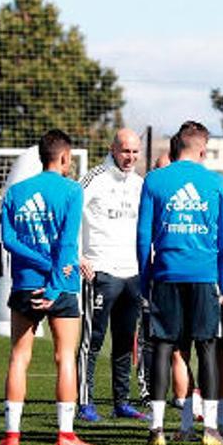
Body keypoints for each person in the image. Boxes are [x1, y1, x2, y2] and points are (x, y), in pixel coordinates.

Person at [137, 121, 223, 445]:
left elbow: (142, 238)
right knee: (207, 348)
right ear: (203, 149)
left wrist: (145, 278)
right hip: (205, 278)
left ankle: (157, 430)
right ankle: (209, 432)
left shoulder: (154, 180)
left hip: (165, 275)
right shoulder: (217, 183)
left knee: (163, 348)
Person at [0, 130, 92, 445]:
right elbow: (67, 244)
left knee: (18, 358)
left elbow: (9, 241)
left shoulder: (16, 192)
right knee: (65, 357)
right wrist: (53, 282)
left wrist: (38, 263)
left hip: (24, 284)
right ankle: (66, 435)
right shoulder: (71, 191)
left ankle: (11, 436)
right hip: (60, 285)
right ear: (65, 158)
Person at [76, 129, 146, 423]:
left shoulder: (141, 183)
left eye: (134, 152)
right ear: (112, 149)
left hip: (133, 274)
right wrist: (78, 255)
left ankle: (122, 402)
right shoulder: (94, 178)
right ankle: (83, 402)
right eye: (125, 151)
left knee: (124, 341)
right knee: (92, 341)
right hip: (101, 270)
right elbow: (71, 213)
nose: (130, 158)